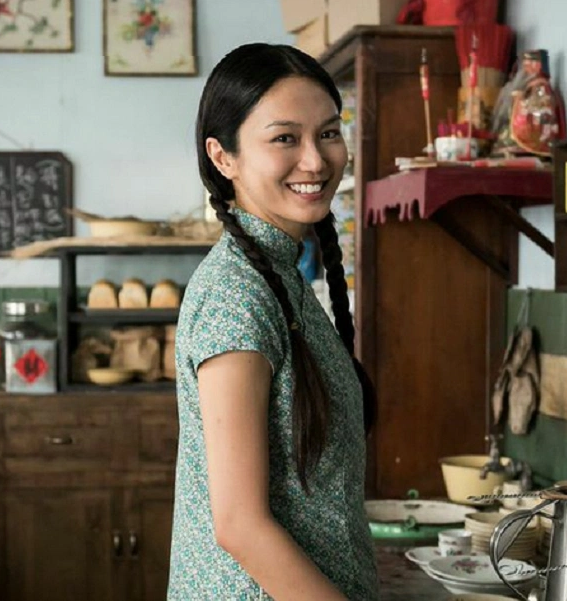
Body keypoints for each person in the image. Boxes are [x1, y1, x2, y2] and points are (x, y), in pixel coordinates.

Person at [167, 43, 378, 600]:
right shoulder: (237, 296)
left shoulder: (278, 273)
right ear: (224, 157)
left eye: (329, 133)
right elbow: (239, 525)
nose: (315, 160)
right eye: (285, 138)